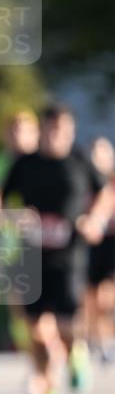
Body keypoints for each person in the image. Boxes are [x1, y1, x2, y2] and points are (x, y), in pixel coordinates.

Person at [2, 105, 113, 394]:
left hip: (70, 255)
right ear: (42, 131)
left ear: (71, 132)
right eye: (50, 131)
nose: (55, 137)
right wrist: (15, 217)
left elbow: (104, 192)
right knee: (37, 331)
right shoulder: (25, 164)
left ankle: (76, 351)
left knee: (66, 326)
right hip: (32, 256)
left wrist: (95, 219)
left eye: (62, 132)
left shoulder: (80, 161)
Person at [83, 138, 115, 362]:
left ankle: (108, 340)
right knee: (91, 297)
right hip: (92, 244)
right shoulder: (84, 180)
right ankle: (97, 339)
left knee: (106, 296)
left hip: (112, 243)